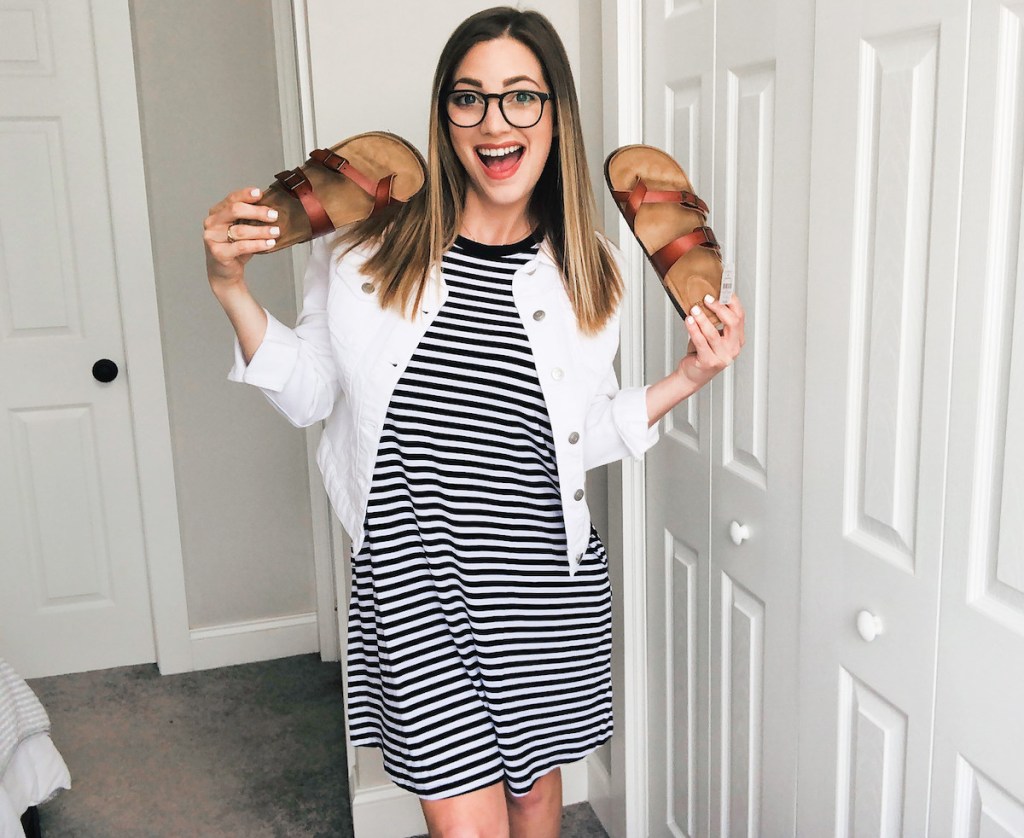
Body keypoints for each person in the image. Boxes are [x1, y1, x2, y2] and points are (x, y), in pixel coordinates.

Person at [202, 7, 743, 837]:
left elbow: (575, 436)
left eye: (522, 97)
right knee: (468, 828)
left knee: (533, 797)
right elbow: (311, 394)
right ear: (445, 117)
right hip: (412, 582)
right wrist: (232, 286)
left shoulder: (593, 269)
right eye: (470, 98)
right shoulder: (357, 252)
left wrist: (686, 378)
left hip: (542, 582)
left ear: (555, 114)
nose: (495, 122)